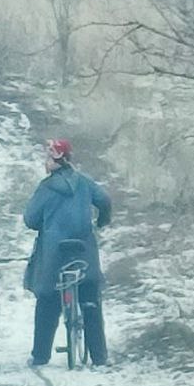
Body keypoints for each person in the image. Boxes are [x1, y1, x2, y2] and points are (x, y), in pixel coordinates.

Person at [23, 138, 112, 367]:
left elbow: (30, 219)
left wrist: (44, 225)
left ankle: (41, 355)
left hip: (53, 254)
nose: (46, 162)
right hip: (84, 250)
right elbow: (104, 201)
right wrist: (101, 221)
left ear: (56, 160)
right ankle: (100, 358)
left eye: (48, 157)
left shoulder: (46, 188)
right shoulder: (84, 182)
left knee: (48, 301)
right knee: (90, 299)